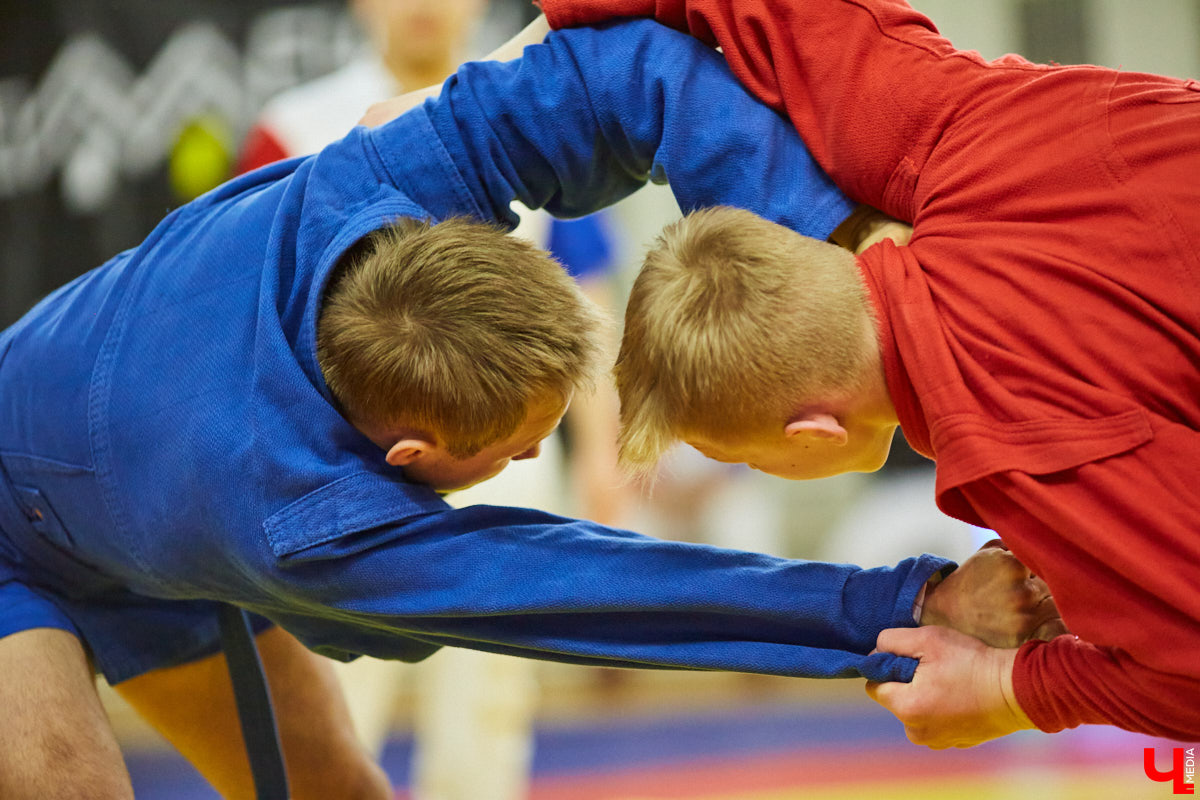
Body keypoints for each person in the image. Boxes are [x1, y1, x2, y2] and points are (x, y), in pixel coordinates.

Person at [0, 19, 1056, 800]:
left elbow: (634, 71)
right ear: (411, 450)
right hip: (17, 518)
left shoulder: (394, 169)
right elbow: (605, 591)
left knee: (338, 784)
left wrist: (852, 267)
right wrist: (901, 604)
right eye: (517, 448)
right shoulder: (305, 517)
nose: (531, 458)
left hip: (145, 486)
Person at [530, 0, 1200, 746]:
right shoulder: (947, 126)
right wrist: (465, 83)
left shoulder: (1023, 445)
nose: (753, 467)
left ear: (813, 433)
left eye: (747, 455)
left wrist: (1010, 691)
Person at [237, 3, 627, 796]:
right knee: (331, 691)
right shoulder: (295, 125)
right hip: (336, 457)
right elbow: (244, 297)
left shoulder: (535, 100)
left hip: (510, 446)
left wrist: (605, 454)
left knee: (490, 698)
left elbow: (583, 297)